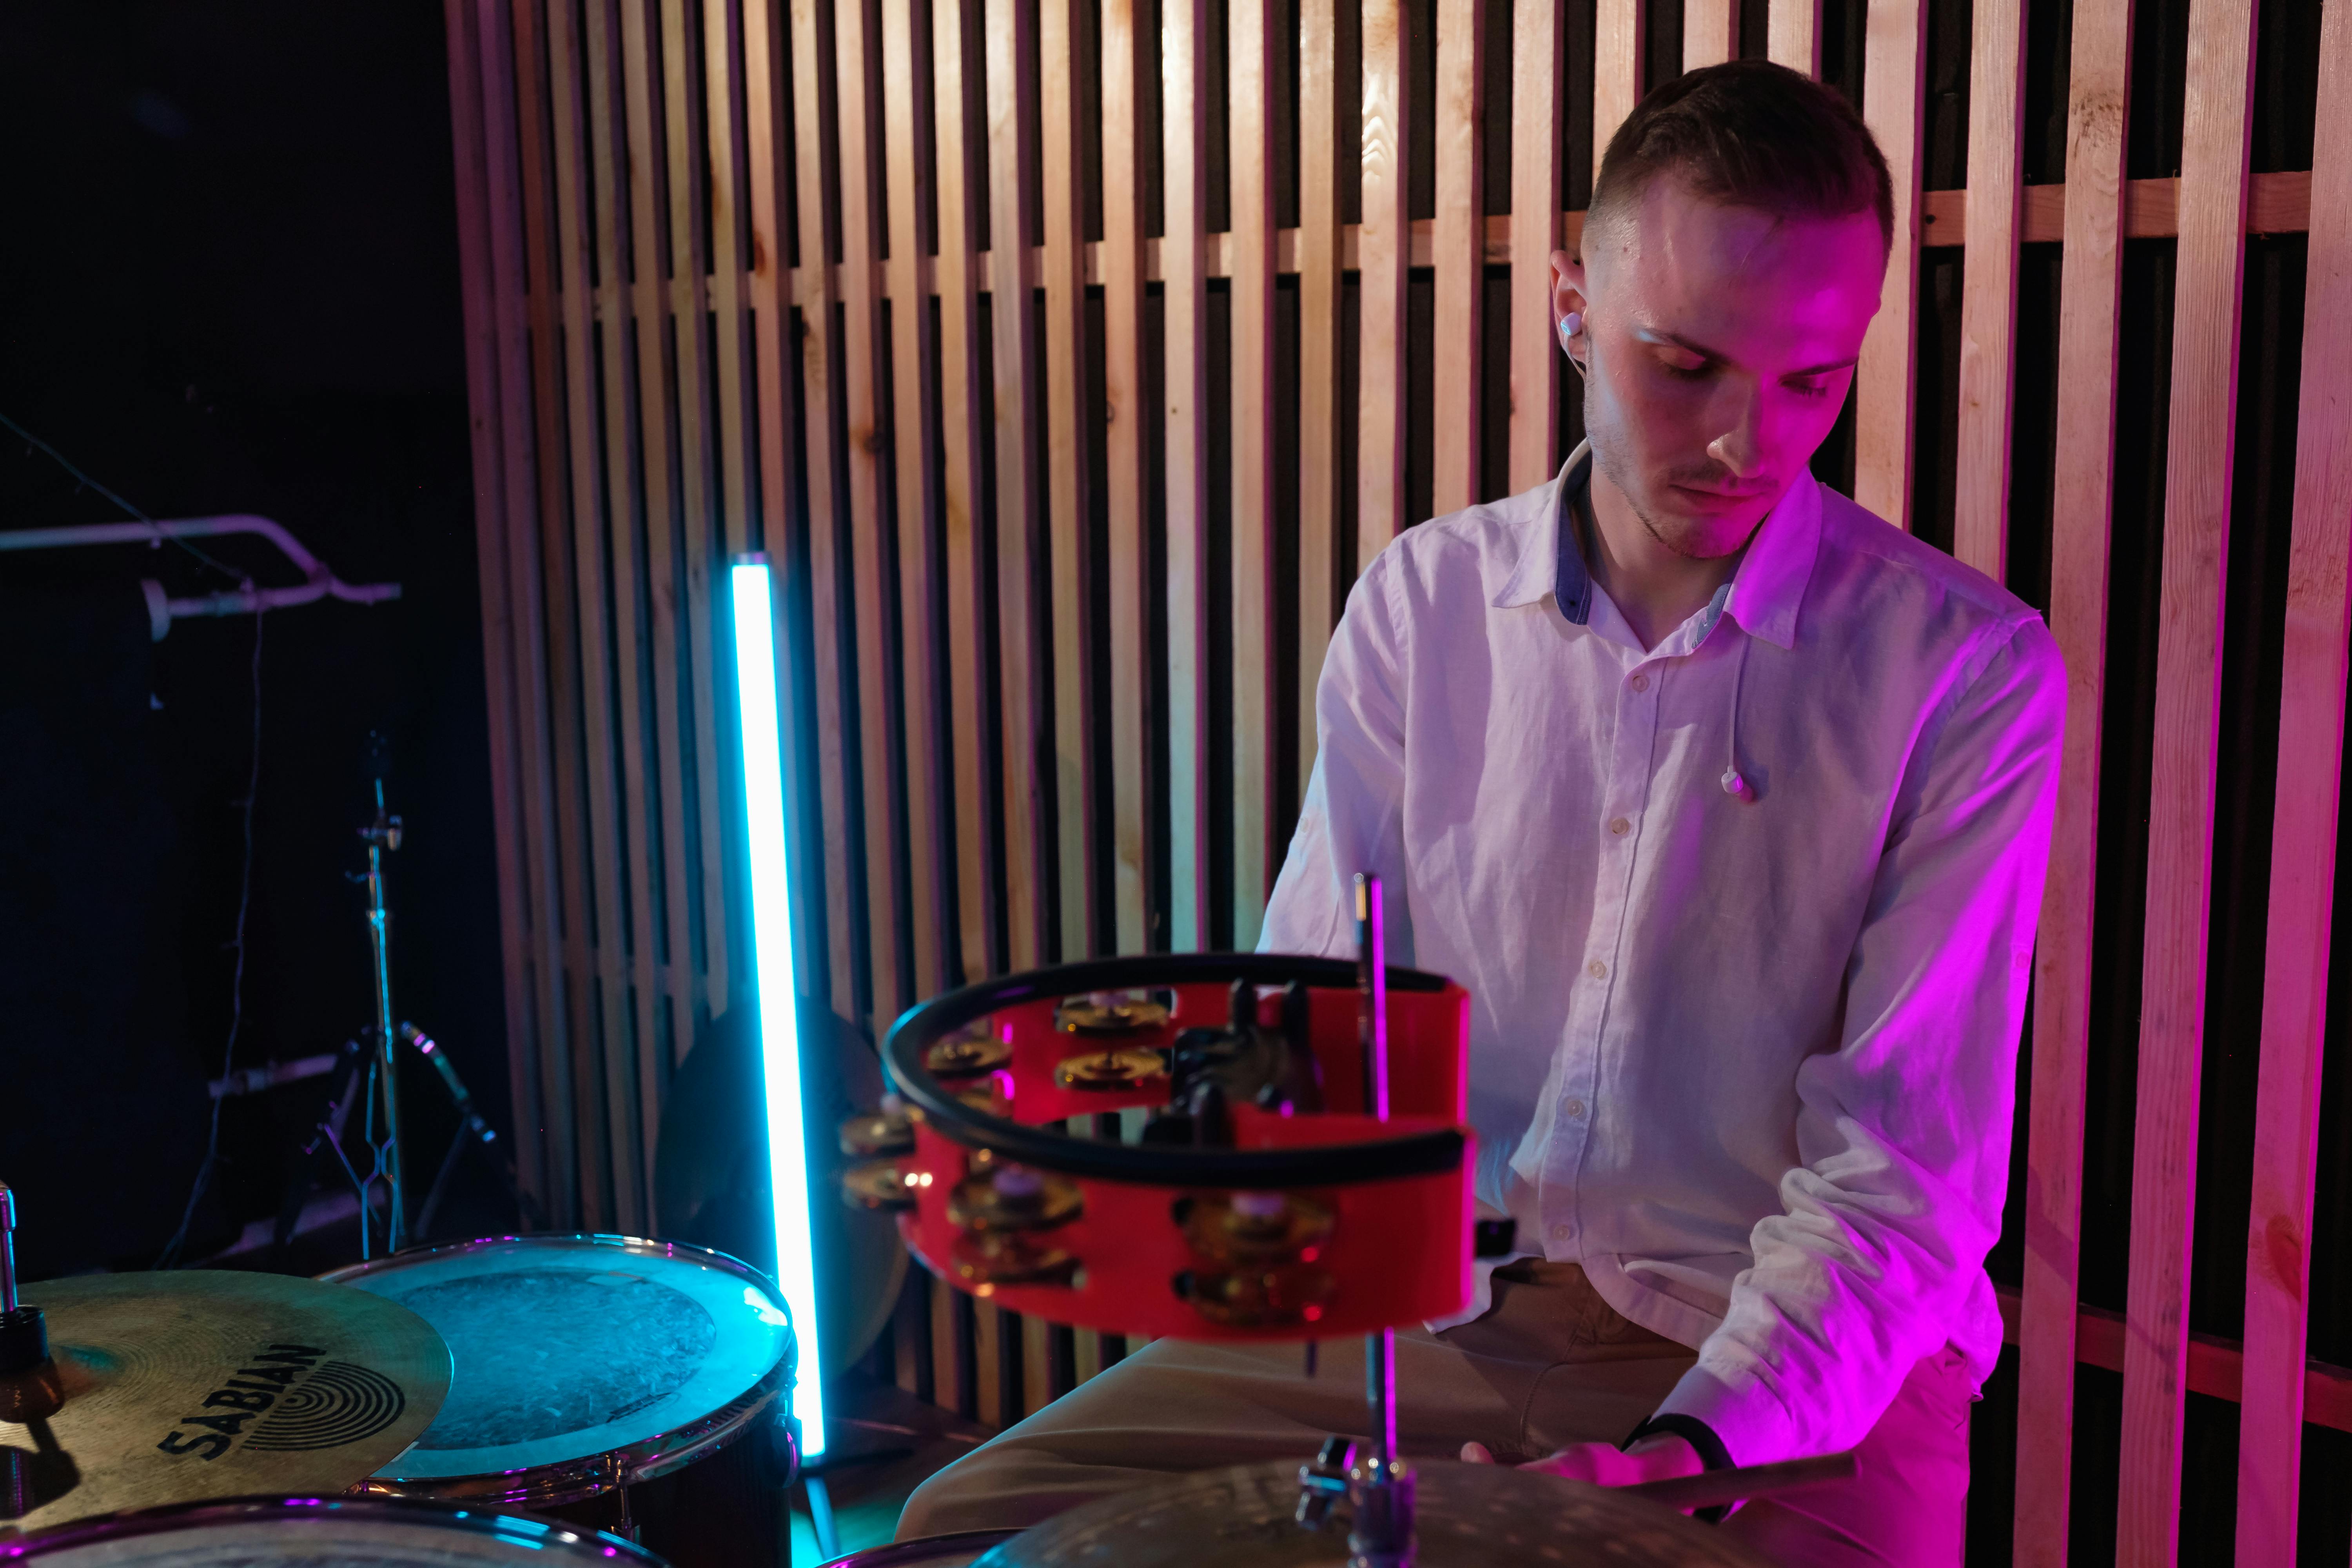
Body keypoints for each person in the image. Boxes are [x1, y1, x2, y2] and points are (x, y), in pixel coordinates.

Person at [897, 58, 2062, 1567]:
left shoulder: (1961, 670)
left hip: (1787, 1362)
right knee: (965, 1530)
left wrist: (1689, 1445)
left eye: (1812, 382)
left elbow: (1900, 1181)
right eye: (1684, 363)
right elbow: (1313, 1030)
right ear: (1573, 303)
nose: (1746, 444)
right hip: (1427, 1309)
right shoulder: (1426, 605)